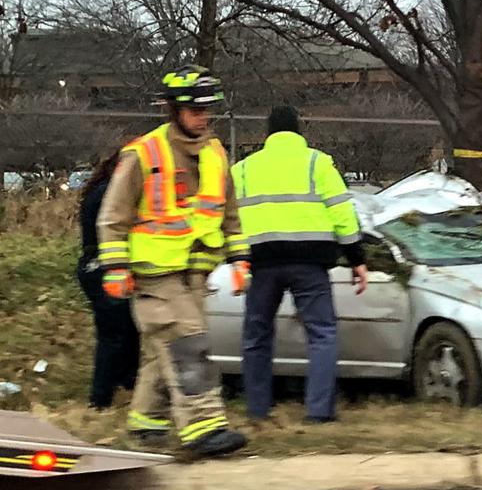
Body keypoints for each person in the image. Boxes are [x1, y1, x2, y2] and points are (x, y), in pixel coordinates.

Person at [96, 65, 251, 457]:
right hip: (154, 273)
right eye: (196, 110)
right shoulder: (144, 153)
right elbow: (113, 216)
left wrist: (240, 257)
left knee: (162, 351)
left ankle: (146, 422)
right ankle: (201, 427)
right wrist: (115, 267)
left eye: (208, 110)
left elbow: (228, 211)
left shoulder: (215, 152)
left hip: (196, 272)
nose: (204, 117)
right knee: (187, 344)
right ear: (174, 109)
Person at [233, 105, 368, 424]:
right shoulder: (317, 163)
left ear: (267, 134)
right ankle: (318, 412)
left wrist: (235, 259)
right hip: (309, 263)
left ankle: (257, 409)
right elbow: (341, 213)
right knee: (321, 334)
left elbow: (230, 218)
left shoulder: (244, 168)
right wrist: (357, 259)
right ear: (298, 131)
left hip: (262, 263)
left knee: (256, 336)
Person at [77, 151, 140, 409]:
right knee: (114, 335)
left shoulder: (104, 189)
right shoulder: (109, 193)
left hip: (100, 267)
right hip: (103, 269)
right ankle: (99, 399)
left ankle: (127, 384)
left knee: (127, 330)